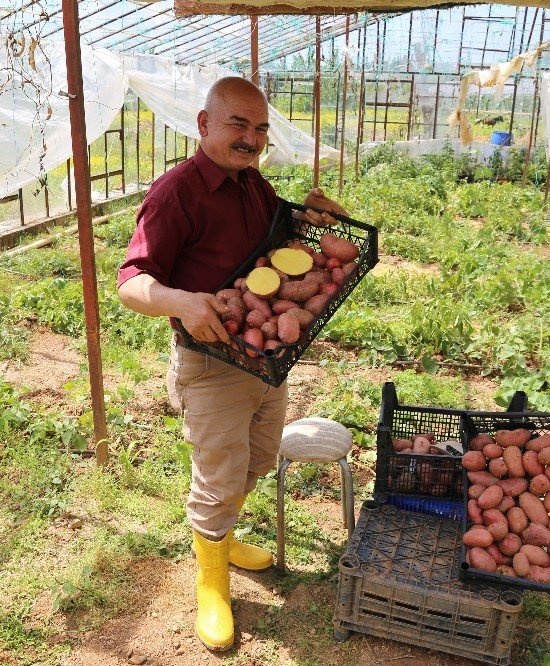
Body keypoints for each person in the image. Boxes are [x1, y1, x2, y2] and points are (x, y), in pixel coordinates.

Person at [116, 76, 348, 651]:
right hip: (212, 362)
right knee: (220, 471)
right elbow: (129, 282)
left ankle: (219, 537)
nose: (251, 138)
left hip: (263, 357)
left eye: (261, 127)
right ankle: (211, 578)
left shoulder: (251, 183)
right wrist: (180, 302)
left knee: (261, 454)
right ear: (204, 125)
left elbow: (270, 249)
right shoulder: (178, 193)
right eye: (237, 125)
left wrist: (307, 222)